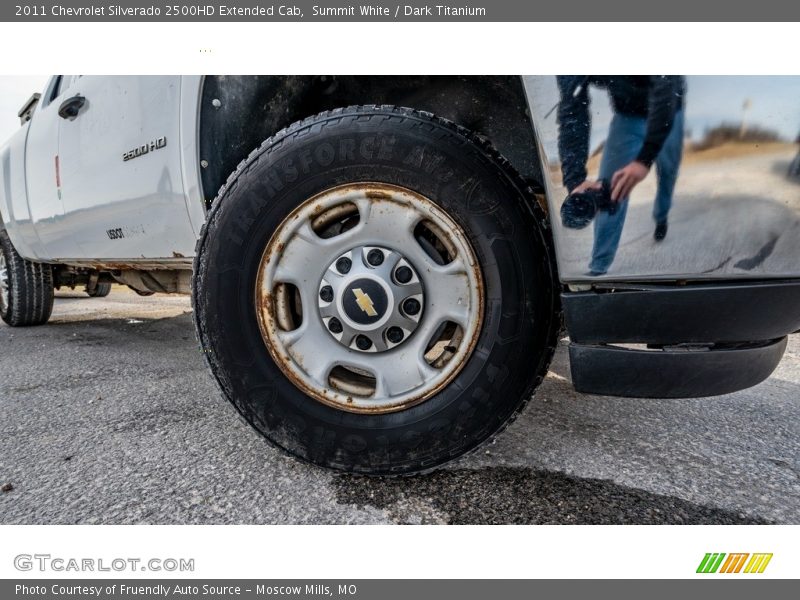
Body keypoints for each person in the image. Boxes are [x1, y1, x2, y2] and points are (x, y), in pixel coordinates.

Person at [557, 76, 686, 275]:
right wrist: (575, 180)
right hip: (627, 117)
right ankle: (598, 269)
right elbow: (572, 107)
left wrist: (644, 160)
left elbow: (666, 88)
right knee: (610, 189)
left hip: (669, 110)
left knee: (668, 172)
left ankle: (661, 216)